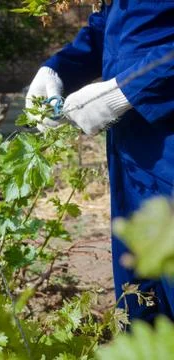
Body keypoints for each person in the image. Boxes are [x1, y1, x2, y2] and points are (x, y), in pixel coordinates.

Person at [26, 1, 174, 323]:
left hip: (168, 152)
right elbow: (117, 21)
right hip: (132, 161)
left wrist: (128, 90)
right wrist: (58, 67)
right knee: (142, 309)